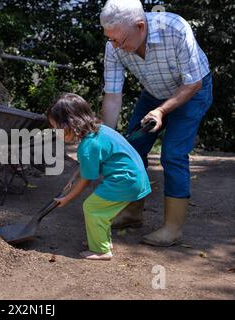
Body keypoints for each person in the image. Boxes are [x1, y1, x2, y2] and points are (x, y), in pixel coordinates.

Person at [99, 0, 213, 246]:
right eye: (110, 40)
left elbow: (193, 83)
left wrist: (161, 111)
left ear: (140, 26)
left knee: (172, 153)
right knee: (131, 150)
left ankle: (172, 229)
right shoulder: (114, 45)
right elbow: (113, 96)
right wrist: (104, 141)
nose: (115, 46)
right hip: (154, 91)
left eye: (120, 40)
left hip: (192, 90)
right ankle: (132, 212)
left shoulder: (175, 28)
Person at [49, 93, 151, 260]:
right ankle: (101, 240)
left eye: (57, 128)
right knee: (103, 210)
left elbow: (86, 180)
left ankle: (101, 250)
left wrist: (67, 198)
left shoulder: (87, 146)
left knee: (92, 207)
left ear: (71, 124)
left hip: (124, 181)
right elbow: (88, 165)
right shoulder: (101, 131)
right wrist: (75, 175)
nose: (56, 132)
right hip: (135, 178)